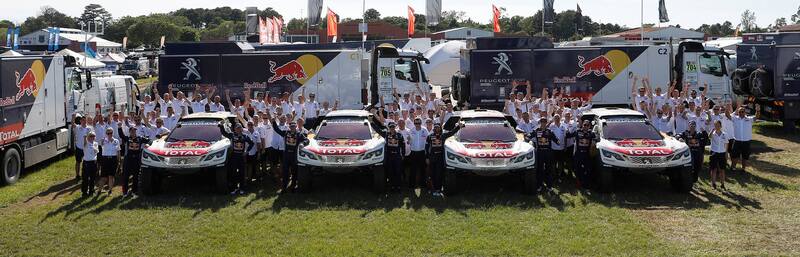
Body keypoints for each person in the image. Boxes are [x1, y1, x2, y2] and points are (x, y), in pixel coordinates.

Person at [271, 119, 308, 193]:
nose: (292, 128)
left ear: (296, 127)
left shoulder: (299, 134)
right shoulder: (286, 133)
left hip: (294, 155)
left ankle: (293, 187)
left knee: (294, 171)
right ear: (289, 127)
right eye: (291, 127)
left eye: (294, 126)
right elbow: (277, 130)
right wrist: (274, 122)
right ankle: (284, 187)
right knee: (285, 172)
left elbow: (307, 140)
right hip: (286, 155)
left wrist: (302, 144)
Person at [426, 122, 462, 196]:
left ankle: (438, 189)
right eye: (435, 127)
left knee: (439, 174)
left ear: (440, 128)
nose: (436, 129)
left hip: (440, 158)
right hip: (432, 158)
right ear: (434, 128)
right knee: (432, 174)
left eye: (438, 127)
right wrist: (427, 158)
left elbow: (452, 132)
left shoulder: (443, 135)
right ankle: (432, 189)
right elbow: (426, 148)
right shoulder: (429, 136)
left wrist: (459, 126)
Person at [118, 125, 149, 197]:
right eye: (132, 131)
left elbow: (149, 140)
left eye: (134, 131)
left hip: (136, 160)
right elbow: (121, 135)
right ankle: (125, 192)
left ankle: (134, 192)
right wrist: (119, 127)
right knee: (126, 176)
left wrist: (147, 144)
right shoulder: (127, 138)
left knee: (136, 176)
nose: (133, 132)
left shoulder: (140, 138)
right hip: (128, 159)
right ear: (129, 132)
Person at [530, 118, 558, 191]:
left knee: (549, 169)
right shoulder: (536, 131)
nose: (543, 123)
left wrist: (557, 141)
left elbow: (556, 139)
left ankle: (549, 186)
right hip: (540, 152)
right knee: (540, 169)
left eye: (544, 122)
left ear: (546, 123)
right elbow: (529, 136)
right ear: (540, 123)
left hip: (548, 152)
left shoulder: (549, 131)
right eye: (541, 122)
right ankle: (539, 185)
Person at [566, 120, 596, 189]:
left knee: (587, 169)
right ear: (582, 125)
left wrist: (595, 140)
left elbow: (596, 139)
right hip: (578, 154)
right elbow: (568, 135)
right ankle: (578, 183)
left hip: (587, 154)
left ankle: (586, 184)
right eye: (584, 125)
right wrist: (567, 129)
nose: (585, 126)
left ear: (589, 126)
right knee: (578, 169)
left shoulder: (591, 133)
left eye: (587, 125)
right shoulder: (577, 131)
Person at [378, 122, 406, 191]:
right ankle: (392, 186)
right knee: (390, 171)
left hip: (397, 156)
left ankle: (398, 186)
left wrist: (403, 154)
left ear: (395, 127)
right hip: (389, 156)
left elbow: (403, 145)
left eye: (393, 127)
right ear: (389, 128)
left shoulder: (399, 135)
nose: (392, 129)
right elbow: (378, 130)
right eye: (390, 127)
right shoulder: (386, 134)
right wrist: (371, 122)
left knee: (398, 171)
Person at [731, 106, 760, 172]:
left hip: (746, 141)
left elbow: (756, 117)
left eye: (742, 112)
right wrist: (726, 106)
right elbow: (727, 115)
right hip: (737, 141)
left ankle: (743, 169)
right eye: (740, 112)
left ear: (745, 112)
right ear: (738, 113)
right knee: (735, 156)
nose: (741, 113)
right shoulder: (735, 118)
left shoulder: (749, 119)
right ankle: (733, 168)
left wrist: (758, 110)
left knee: (745, 156)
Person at [228, 124, 254, 195]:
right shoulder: (232, 135)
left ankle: (242, 188)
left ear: (242, 129)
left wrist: (247, 151)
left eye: (240, 128)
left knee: (242, 173)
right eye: (237, 128)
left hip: (241, 157)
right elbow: (224, 133)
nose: (238, 130)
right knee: (233, 173)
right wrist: (220, 125)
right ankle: (234, 188)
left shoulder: (245, 136)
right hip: (234, 156)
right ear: (235, 129)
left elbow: (251, 143)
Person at [407, 117, 429, 189]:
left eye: (419, 123)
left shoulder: (424, 130)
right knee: (413, 169)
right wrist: (408, 140)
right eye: (416, 123)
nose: (417, 125)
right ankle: (411, 185)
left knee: (423, 169)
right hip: (413, 152)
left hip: (422, 152)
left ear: (421, 123)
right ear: (414, 123)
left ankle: (423, 184)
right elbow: (409, 142)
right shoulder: (411, 130)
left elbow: (428, 140)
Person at [99, 127, 121, 195]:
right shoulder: (103, 140)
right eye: (108, 133)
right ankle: (99, 190)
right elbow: (101, 144)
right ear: (106, 134)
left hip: (113, 159)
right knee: (103, 177)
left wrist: (119, 161)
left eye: (111, 133)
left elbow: (118, 151)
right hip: (105, 159)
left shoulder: (116, 141)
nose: (109, 134)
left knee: (111, 176)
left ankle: (110, 190)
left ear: (113, 133)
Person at [709, 120, 728, 190]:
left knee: (722, 169)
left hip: (722, 153)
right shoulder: (713, 133)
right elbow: (709, 136)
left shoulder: (724, 134)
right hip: (714, 152)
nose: (717, 127)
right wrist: (712, 130)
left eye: (718, 125)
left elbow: (726, 144)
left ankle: (722, 184)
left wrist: (726, 153)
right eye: (715, 125)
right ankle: (713, 183)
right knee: (714, 169)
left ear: (721, 126)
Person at [73, 114, 91, 181]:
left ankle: (86, 174)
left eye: (85, 120)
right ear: (80, 121)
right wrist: (73, 117)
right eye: (82, 120)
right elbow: (72, 124)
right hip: (79, 148)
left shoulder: (89, 128)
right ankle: (77, 175)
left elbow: (91, 138)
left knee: (86, 162)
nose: (84, 121)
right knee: (78, 162)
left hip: (86, 148)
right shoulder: (78, 127)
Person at [81, 132, 99, 197]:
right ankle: (84, 192)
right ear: (88, 137)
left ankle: (91, 191)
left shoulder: (95, 143)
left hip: (93, 162)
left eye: (93, 136)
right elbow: (85, 143)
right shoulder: (86, 143)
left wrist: (94, 147)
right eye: (91, 136)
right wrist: (85, 138)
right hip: (87, 163)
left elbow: (96, 151)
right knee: (85, 178)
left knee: (93, 178)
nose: (92, 137)